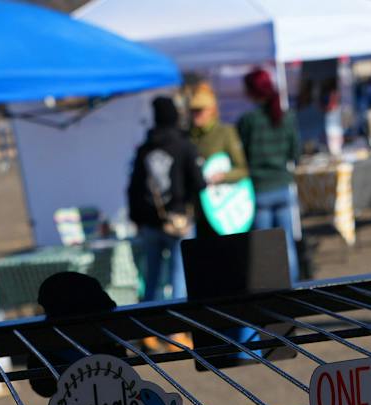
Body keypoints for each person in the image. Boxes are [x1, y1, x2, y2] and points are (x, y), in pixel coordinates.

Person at [127, 96, 204, 304]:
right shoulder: (184, 145)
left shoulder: (145, 149)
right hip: (179, 220)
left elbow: (133, 187)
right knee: (179, 279)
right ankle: (178, 322)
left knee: (151, 279)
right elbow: (199, 183)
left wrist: (137, 219)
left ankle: (148, 322)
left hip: (150, 222)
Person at [239, 68, 303, 280]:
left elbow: (242, 156)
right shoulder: (287, 117)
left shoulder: (248, 121)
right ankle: (293, 284)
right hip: (283, 186)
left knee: (263, 246)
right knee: (287, 243)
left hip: (260, 189)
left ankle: (269, 286)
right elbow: (295, 153)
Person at [185, 80, 248, 237]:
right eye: (193, 111)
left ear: (211, 110)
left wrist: (223, 176)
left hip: (222, 209)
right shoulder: (188, 137)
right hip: (199, 210)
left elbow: (242, 170)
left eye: (199, 110)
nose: (195, 115)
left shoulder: (225, 133)